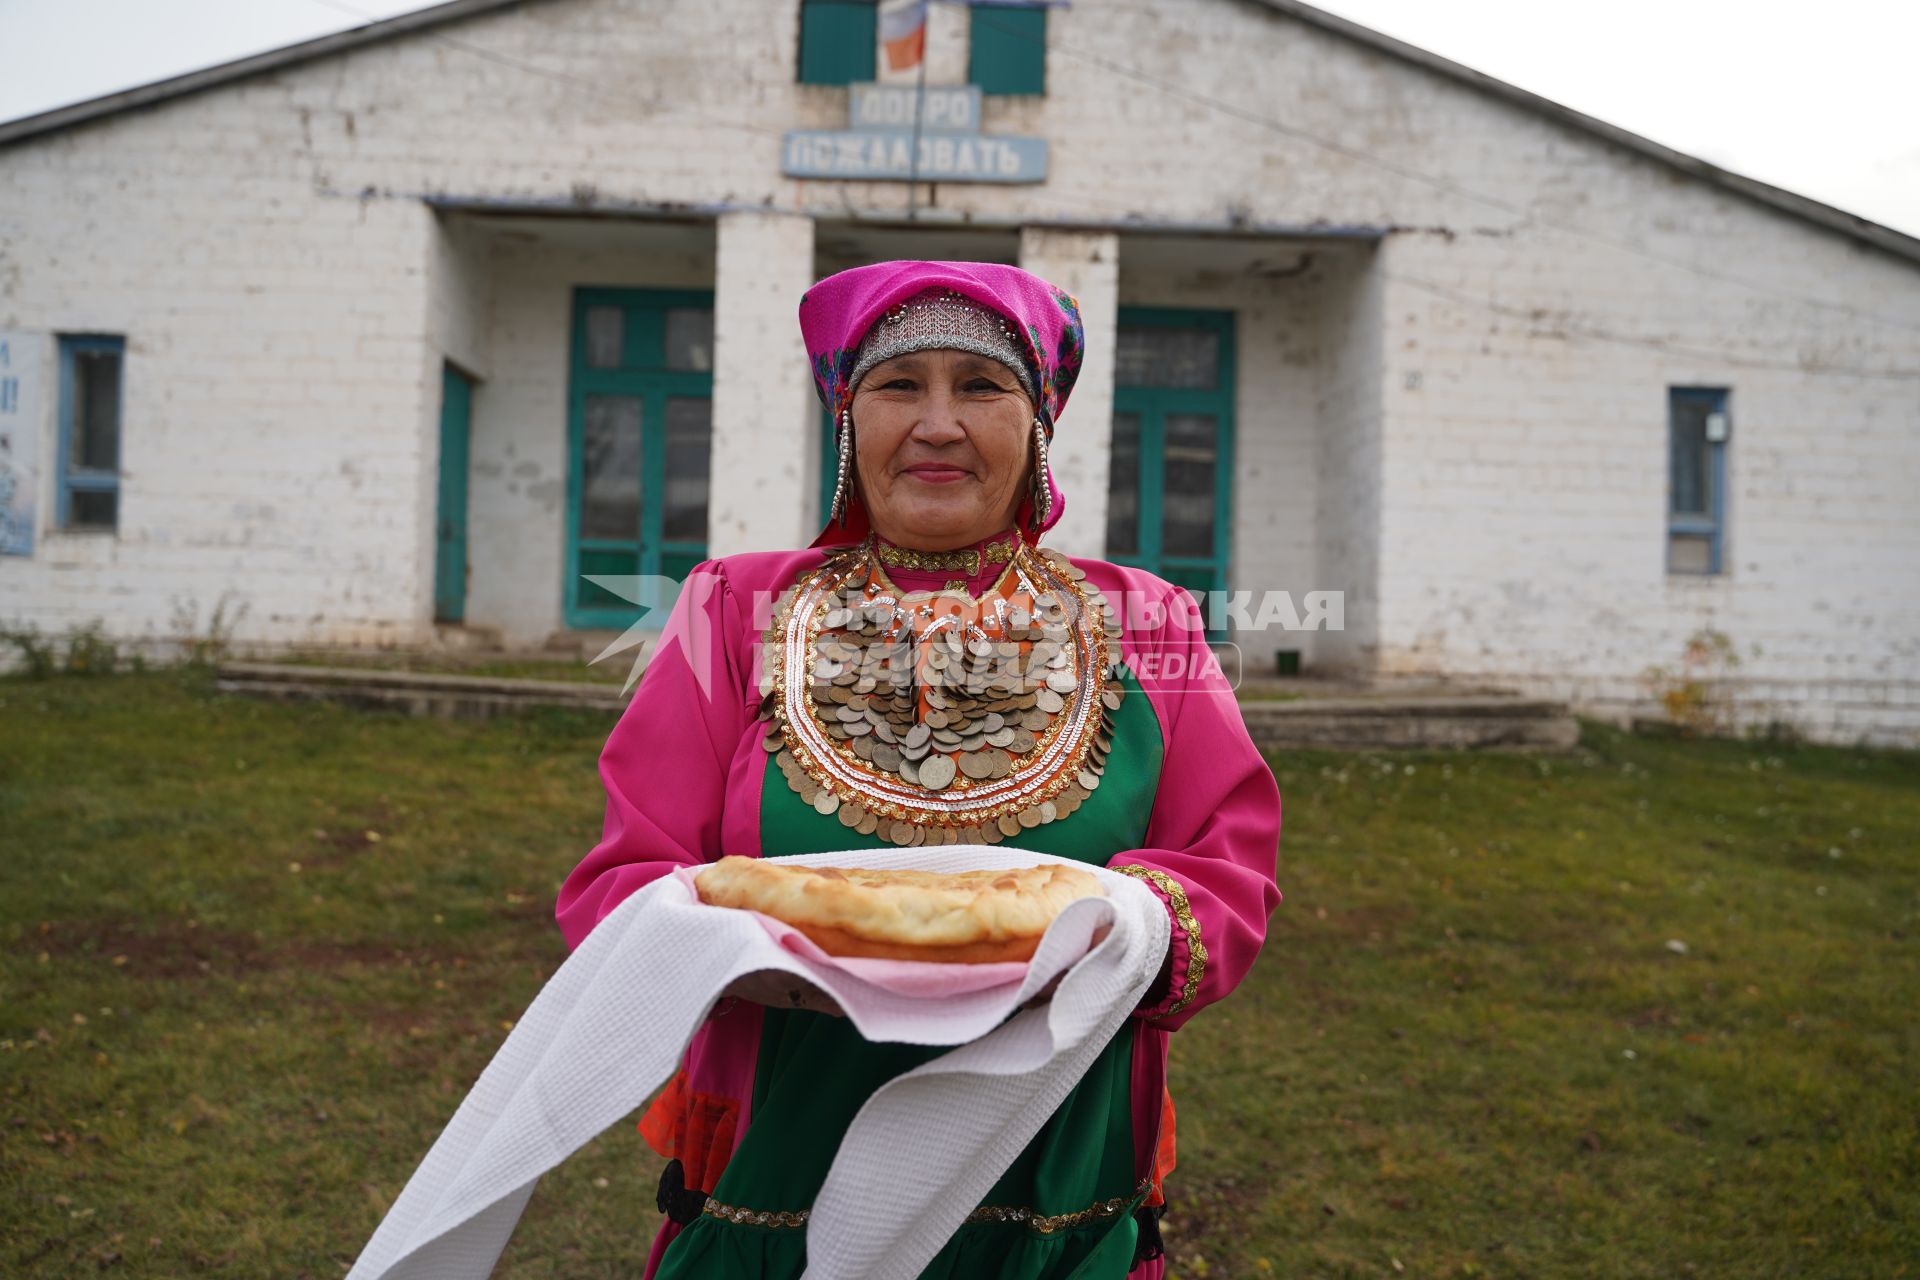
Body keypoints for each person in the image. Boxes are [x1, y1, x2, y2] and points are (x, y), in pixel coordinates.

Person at [554, 259, 1283, 1278]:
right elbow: (622, 883)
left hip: (1057, 1177)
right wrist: (770, 963)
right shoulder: (729, 610)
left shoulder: (1148, 620)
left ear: (1039, 425)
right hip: (778, 1165)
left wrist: (1112, 934)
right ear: (848, 422)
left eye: (982, 387)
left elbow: (1227, 876)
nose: (938, 422)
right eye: (899, 385)